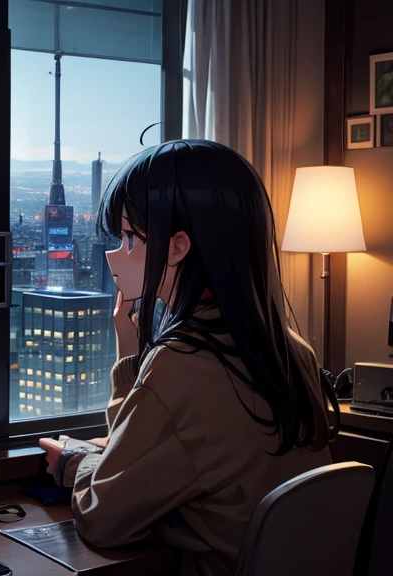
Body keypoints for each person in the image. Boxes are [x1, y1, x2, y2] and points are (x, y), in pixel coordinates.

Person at [38, 139, 338, 576]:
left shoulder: (183, 364)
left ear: (177, 247)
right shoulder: (291, 350)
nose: (115, 255)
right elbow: (146, 453)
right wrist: (134, 347)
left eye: (128, 238)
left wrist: (75, 464)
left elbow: (103, 517)